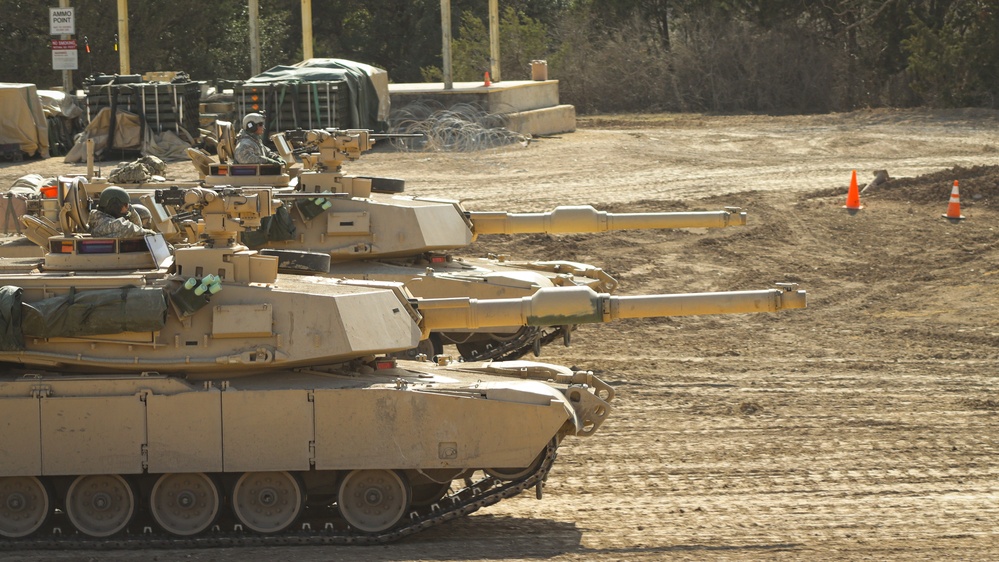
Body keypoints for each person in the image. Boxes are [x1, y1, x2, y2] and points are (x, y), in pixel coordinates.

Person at [88, 186, 156, 238]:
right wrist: (145, 232)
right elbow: (128, 228)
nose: (127, 208)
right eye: (126, 205)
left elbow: (138, 227)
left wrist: (130, 209)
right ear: (115, 206)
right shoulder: (102, 221)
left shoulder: (100, 216)